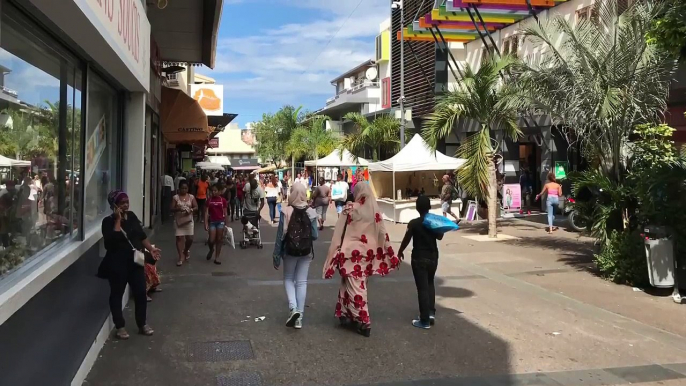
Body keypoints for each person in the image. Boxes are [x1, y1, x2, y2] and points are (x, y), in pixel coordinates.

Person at [322, 183, 399, 337]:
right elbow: (382, 234)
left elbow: (338, 235)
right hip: (366, 255)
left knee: (356, 287)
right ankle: (344, 313)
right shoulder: (374, 212)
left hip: (349, 255)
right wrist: (390, 253)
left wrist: (331, 257)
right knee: (351, 283)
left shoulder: (349, 209)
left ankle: (364, 321)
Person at [98, 190, 160, 339]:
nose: (126, 205)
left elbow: (141, 235)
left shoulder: (132, 216)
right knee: (117, 294)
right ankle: (120, 326)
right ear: (114, 205)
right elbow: (110, 242)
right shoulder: (108, 222)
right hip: (117, 264)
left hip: (135, 262)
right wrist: (118, 220)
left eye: (127, 202)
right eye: (122, 203)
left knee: (140, 293)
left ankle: (142, 324)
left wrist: (151, 249)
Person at [273, 183, 318, 329]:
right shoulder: (311, 212)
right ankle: (300, 317)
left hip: (289, 251)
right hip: (306, 252)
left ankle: (293, 308)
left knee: (288, 278)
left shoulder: (286, 211)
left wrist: (276, 256)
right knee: (302, 282)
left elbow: (280, 236)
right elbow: (315, 236)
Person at [397, 195, 444, 329]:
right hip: (433, 257)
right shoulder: (433, 223)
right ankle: (430, 313)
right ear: (429, 207)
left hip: (419, 258)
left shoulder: (414, 223)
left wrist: (400, 251)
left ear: (417, 208)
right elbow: (440, 237)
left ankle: (424, 320)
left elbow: (406, 239)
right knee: (430, 283)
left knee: (422, 288)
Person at [172, 180, 197, 267]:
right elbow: (171, 208)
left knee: (190, 238)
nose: (184, 190)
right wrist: (178, 209)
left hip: (189, 221)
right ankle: (180, 256)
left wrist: (191, 210)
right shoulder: (175, 197)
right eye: (182, 188)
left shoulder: (191, 197)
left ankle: (185, 250)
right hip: (179, 221)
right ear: (179, 189)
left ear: (188, 188)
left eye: (185, 188)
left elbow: (196, 207)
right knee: (179, 237)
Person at [205, 184, 228, 264]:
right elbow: (206, 212)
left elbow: (225, 212)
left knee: (219, 239)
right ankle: (211, 249)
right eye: (212, 191)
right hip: (212, 222)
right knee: (211, 240)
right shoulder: (209, 200)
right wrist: (205, 223)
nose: (213, 192)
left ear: (219, 191)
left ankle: (217, 257)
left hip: (220, 222)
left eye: (215, 190)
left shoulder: (223, 200)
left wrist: (226, 225)